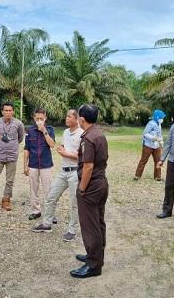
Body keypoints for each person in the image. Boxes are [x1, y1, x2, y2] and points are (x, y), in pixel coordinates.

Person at [31, 109, 83, 241]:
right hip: (63, 171)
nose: (66, 118)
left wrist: (66, 154)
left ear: (77, 119)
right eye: (66, 116)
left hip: (75, 172)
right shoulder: (66, 132)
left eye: (69, 116)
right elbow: (65, 147)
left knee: (74, 203)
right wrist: (62, 149)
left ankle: (72, 230)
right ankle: (47, 224)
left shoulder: (82, 134)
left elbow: (83, 156)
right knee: (51, 197)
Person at [70, 104, 108, 279]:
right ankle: (95, 256)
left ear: (81, 119)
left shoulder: (88, 138)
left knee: (90, 226)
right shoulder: (98, 133)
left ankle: (93, 265)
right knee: (98, 222)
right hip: (101, 183)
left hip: (91, 186)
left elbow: (88, 166)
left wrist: (82, 188)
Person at [24, 108, 55, 220]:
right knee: (33, 189)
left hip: (45, 164)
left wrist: (44, 131)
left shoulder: (50, 130)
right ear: (34, 118)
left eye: (41, 118)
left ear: (45, 118)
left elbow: (52, 145)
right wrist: (25, 165)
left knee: (48, 189)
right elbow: (26, 148)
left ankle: (50, 213)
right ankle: (36, 211)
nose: (39, 120)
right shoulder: (30, 131)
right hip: (33, 164)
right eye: (37, 118)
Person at [134, 109, 166, 181]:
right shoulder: (151, 123)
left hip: (157, 146)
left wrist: (161, 142)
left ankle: (158, 177)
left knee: (158, 161)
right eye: (161, 118)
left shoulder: (159, 124)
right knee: (143, 160)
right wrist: (153, 138)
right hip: (148, 145)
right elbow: (145, 134)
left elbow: (159, 134)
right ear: (157, 117)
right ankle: (137, 176)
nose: (162, 119)